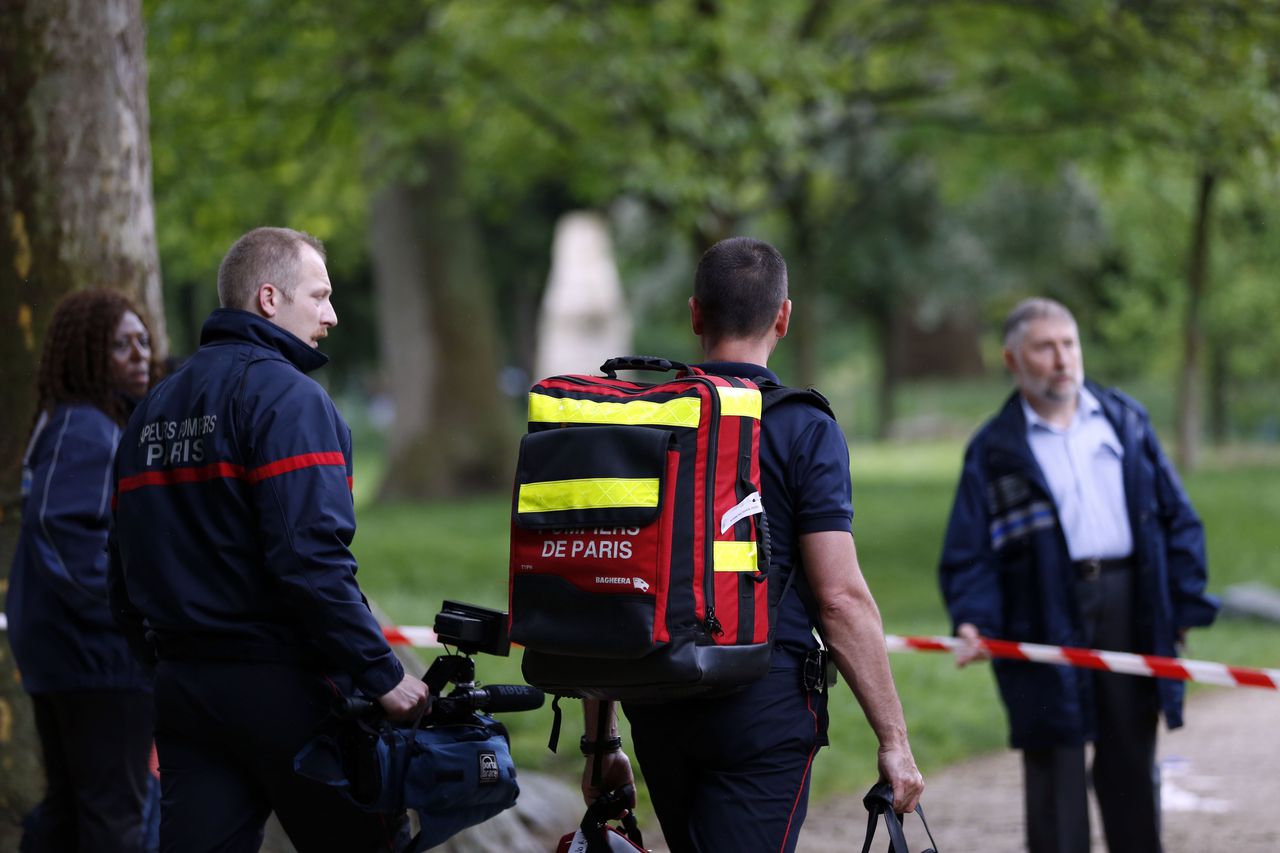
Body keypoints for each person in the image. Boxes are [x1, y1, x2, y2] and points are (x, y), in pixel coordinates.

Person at [581, 237, 924, 852]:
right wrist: (894, 741)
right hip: (761, 708)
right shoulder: (803, 427)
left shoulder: (646, 418)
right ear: (783, 318)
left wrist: (602, 742)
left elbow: (615, 582)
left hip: (656, 697)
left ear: (694, 315)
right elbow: (841, 598)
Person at [108, 227, 429, 852]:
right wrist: (382, 674)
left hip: (182, 689)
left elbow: (119, 566)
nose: (332, 315)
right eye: (320, 295)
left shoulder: (152, 408)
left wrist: (165, 663)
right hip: (285, 690)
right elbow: (311, 561)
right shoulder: (289, 400)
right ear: (269, 299)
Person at [938, 297, 1220, 853]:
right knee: (1054, 764)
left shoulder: (1125, 421)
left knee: (1131, 761)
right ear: (1013, 360)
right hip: (1040, 607)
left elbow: (1177, 518)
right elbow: (970, 551)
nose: (1062, 358)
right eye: (1045, 347)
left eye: (1069, 343)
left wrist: (1183, 607)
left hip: (1127, 602)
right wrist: (974, 620)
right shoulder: (994, 450)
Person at [7, 288, 158, 852]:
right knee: (113, 817)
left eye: (142, 340)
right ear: (87, 354)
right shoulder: (84, 428)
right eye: (120, 345)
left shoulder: (77, 423)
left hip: (70, 657)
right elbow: (63, 534)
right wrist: (132, 613)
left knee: (71, 811)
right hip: (95, 661)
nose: (140, 354)